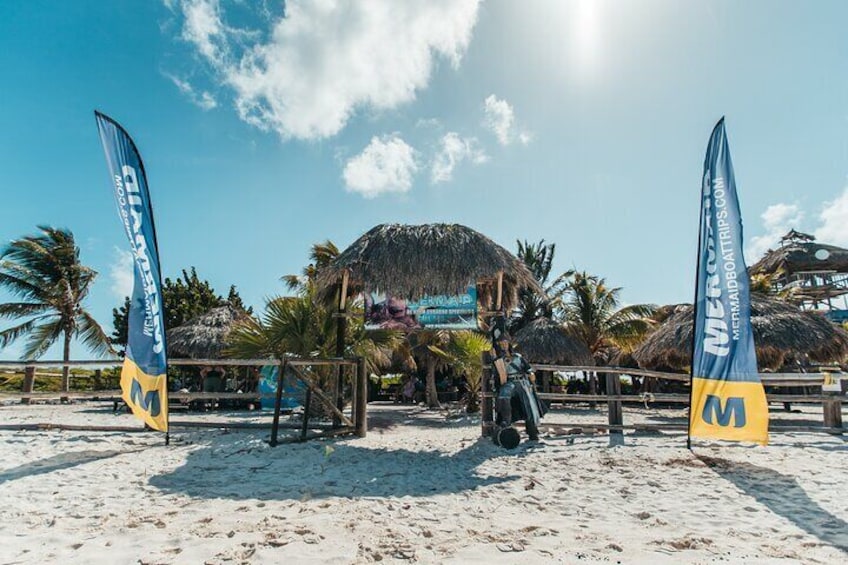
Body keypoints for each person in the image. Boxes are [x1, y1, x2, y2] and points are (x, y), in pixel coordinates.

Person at [489, 316, 547, 444]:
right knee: (504, 396)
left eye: (505, 342)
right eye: (501, 343)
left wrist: (531, 373)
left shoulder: (518, 357)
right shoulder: (498, 360)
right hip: (508, 383)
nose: (503, 344)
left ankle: (532, 432)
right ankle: (506, 424)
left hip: (522, 382)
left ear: (509, 343)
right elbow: (497, 374)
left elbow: (528, 368)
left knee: (528, 404)